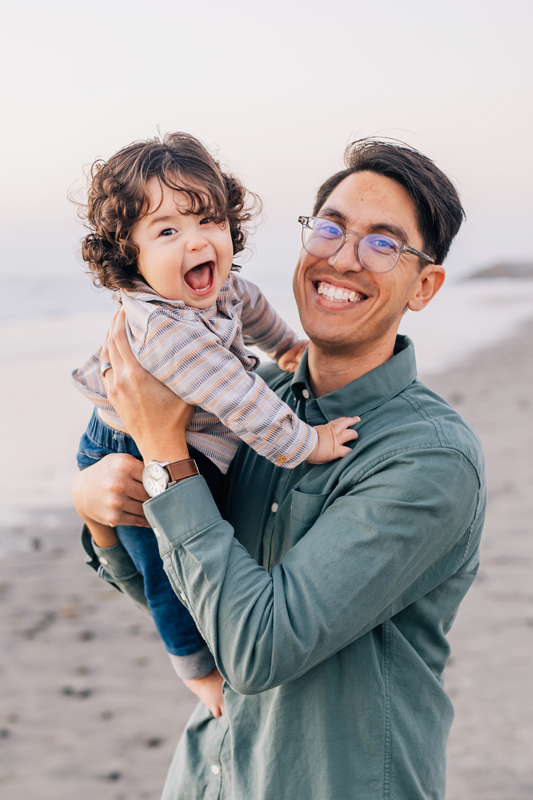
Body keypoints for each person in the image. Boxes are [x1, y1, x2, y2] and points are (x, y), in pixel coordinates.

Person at [72, 138, 486, 800]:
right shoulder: (249, 400)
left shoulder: (426, 458)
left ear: (424, 285)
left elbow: (257, 649)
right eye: (330, 228)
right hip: (208, 778)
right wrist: (99, 514)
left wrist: (163, 452)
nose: (342, 257)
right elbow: (187, 587)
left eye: (382, 244)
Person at [72, 132, 358, 709]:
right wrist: (308, 442)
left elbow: (248, 303)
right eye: (167, 231)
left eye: (208, 220)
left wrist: (285, 347)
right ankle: (195, 668)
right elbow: (242, 401)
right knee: (165, 571)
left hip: (183, 440)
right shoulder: (166, 331)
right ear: (130, 255)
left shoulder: (215, 287)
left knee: (204, 552)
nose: (197, 242)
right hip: (126, 446)